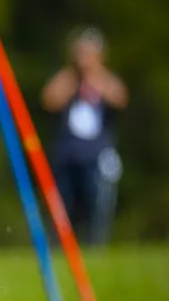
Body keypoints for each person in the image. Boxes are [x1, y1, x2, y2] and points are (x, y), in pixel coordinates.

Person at [41, 27, 127, 244]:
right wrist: (73, 79)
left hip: (97, 158)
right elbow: (49, 100)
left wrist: (95, 77)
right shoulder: (68, 78)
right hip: (67, 156)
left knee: (98, 211)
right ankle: (61, 248)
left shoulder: (104, 79)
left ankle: (96, 249)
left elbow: (120, 98)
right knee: (62, 211)